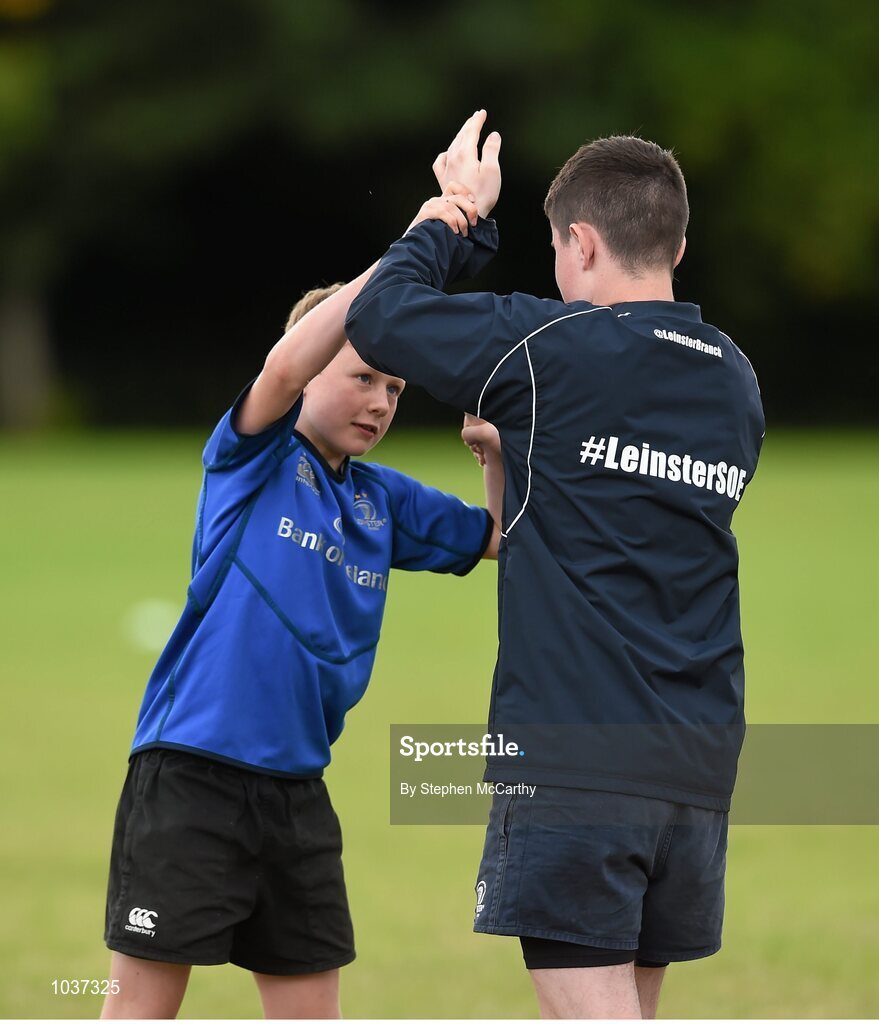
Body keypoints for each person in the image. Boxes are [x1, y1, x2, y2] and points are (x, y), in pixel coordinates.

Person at [346, 111, 764, 1019]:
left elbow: (381, 314)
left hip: (578, 755)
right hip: (695, 762)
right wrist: (513, 456)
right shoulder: (733, 377)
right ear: (677, 246)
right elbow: (615, 497)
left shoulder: (554, 349)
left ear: (578, 241)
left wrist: (455, 216)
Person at [101, 188, 499, 1020]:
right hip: (191, 778)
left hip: (297, 796)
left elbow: (504, 538)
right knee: (141, 1009)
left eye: (394, 388)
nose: (381, 403)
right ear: (311, 367)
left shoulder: (382, 502)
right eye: (362, 377)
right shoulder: (254, 456)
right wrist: (425, 234)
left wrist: (491, 453)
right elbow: (280, 370)